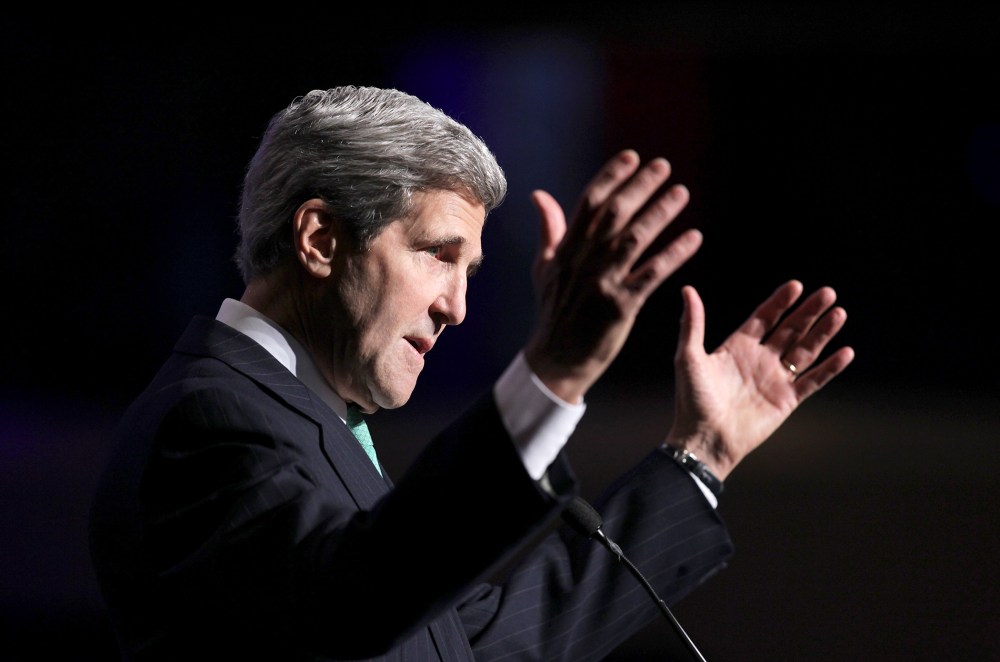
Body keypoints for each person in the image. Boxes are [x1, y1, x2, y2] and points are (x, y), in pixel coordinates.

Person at [88, 85, 854, 661]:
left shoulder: (305, 419)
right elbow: (352, 598)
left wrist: (702, 455)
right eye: (439, 254)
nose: (456, 307)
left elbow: (478, 645)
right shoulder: (207, 421)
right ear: (320, 239)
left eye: (472, 270)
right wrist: (552, 372)